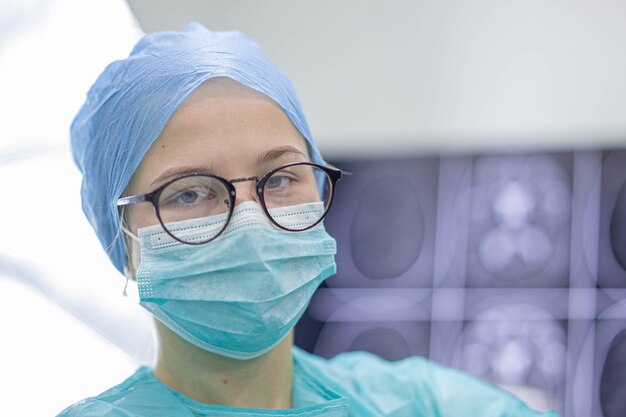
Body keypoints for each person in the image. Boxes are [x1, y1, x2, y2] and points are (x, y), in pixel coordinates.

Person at [58, 22, 560, 417]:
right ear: (121, 237)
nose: (250, 223)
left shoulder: (423, 405)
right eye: (191, 192)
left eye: (278, 179)